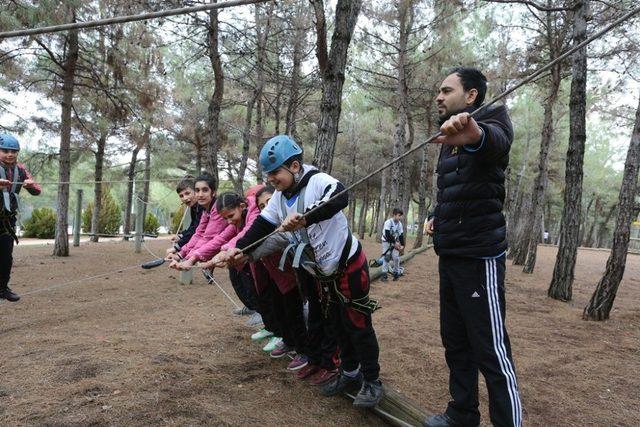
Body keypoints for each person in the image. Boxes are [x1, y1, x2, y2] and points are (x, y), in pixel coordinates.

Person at [225, 135, 383, 408]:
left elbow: (340, 196)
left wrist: (306, 217)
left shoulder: (317, 180)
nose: (272, 179)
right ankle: (350, 372)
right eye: (268, 174)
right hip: (323, 272)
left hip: (348, 264)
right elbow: (261, 227)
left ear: (295, 166)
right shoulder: (278, 198)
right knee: (335, 323)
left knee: (357, 324)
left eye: (276, 173)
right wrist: (238, 248)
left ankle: (372, 380)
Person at [424, 68, 522, 427]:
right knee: (456, 343)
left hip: (479, 257)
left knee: (491, 352)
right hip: (450, 253)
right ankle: (463, 413)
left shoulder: (493, 119)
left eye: (446, 90)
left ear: (471, 96)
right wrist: (439, 215)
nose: (438, 96)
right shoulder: (447, 136)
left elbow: (493, 142)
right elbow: (459, 187)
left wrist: (475, 133)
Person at [0, 134, 41, 302]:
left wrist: (30, 186)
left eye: (14, 151)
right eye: (5, 151)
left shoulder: (21, 169)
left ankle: (2, 288)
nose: (10, 154)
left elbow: (37, 190)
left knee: (5, 257)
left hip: (6, 221)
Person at [165, 176, 203, 258]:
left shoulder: (202, 207)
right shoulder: (194, 207)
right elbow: (193, 226)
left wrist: (177, 247)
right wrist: (181, 236)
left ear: (196, 191)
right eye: (181, 196)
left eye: (187, 193)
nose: (185, 198)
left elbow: (197, 230)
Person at [381, 208, 405, 282]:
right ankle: (384, 275)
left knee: (396, 258)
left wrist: (403, 245)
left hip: (394, 242)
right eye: (399, 215)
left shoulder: (399, 224)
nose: (400, 217)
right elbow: (387, 235)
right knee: (387, 257)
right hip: (386, 241)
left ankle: (396, 273)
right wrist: (395, 243)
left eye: (401, 216)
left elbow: (401, 235)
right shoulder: (388, 222)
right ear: (394, 215)